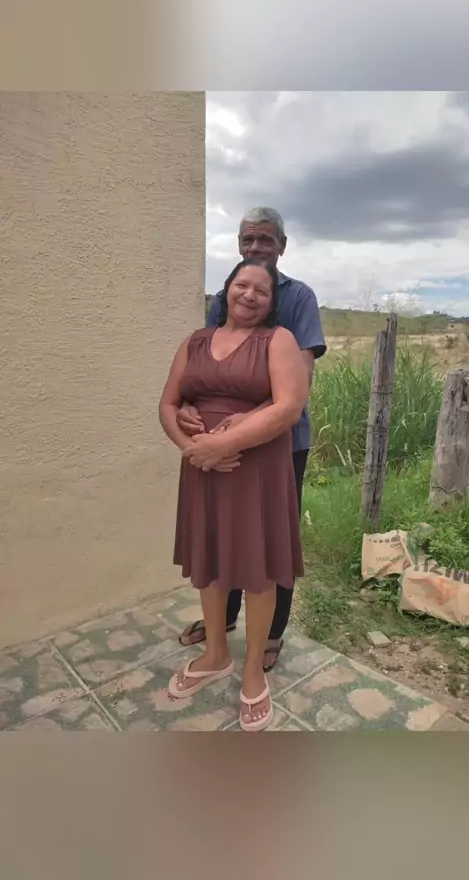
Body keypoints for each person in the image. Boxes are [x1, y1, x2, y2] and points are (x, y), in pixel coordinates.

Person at [159, 257, 309, 730]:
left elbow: (288, 407)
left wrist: (223, 444)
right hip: (203, 468)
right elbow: (168, 403)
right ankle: (216, 655)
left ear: (271, 302)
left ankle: (252, 672)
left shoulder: (278, 340)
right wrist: (192, 450)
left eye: (262, 290)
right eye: (242, 284)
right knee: (210, 560)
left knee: (257, 568)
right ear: (226, 290)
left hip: (256, 469)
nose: (250, 294)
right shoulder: (194, 341)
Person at [176, 207, 326, 670]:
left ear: (282, 246)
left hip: (281, 442)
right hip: (219, 443)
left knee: (270, 540)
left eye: (266, 239)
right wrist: (185, 407)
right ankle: (223, 621)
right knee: (224, 533)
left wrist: (240, 428)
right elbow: (209, 360)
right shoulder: (228, 294)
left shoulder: (298, 297)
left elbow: (299, 382)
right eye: (248, 239)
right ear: (239, 244)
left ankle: (273, 633)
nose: (256, 247)